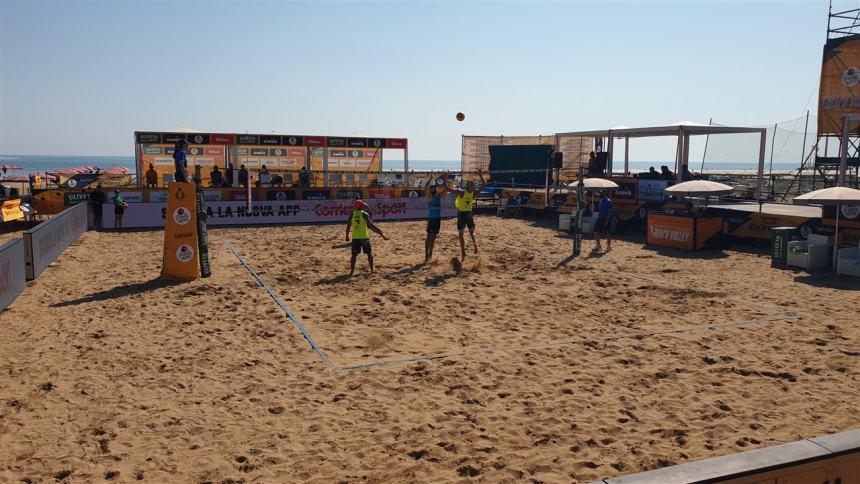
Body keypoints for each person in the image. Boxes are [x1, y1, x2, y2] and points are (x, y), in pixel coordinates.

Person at [345, 199, 387, 276]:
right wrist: (381, 233)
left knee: (354, 255)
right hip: (364, 237)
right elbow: (371, 226)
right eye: (362, 205)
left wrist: (347, 236)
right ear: (361, 206)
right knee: (369, 254)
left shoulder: (352, 214)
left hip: (355, 238)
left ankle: (351, 272)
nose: (364, 206)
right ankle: (371, 270)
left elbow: (348, 226)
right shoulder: (364, 214)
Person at [452, 171, 486, 260]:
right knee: (471, 232)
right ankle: (475, 244)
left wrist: (444, 183)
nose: (474, 187)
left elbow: (450, 190)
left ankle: (463, 252)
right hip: (469, 213)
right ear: (469, 187)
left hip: (462, 213)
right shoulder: (473, 194)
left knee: (461, 234)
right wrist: (480, 175)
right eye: (473, 185)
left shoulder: (462, 192)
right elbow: (484, 185)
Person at [424, 175, 446, 263]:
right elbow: (426, 187)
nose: (432, 189)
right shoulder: (429, 196)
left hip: (437, 219)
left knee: (433, 238)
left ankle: (430, 254)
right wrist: (430, 178)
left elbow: (444, 190)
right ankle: (426, 255)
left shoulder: (438, 195)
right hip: (431, 219)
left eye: (434, 188)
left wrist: (444, 180)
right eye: (431, 188)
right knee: (429, 237)